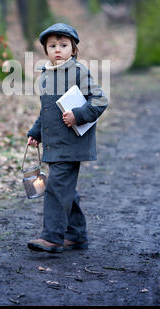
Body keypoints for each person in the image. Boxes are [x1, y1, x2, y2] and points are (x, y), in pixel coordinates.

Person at [27, 23, 108, 253]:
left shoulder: (79, 72)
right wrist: (35, 132)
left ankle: (52, 237)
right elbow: (47, 111)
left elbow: (100, 100)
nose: (58, 50)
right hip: (54, 143)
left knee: (56, 187)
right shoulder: (46, 76)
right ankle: (77, 236)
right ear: (46, 51)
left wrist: (78, 115)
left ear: (73, 49)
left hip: (72, 142)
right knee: (66, 190)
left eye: (63, 45)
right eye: (52, 46)